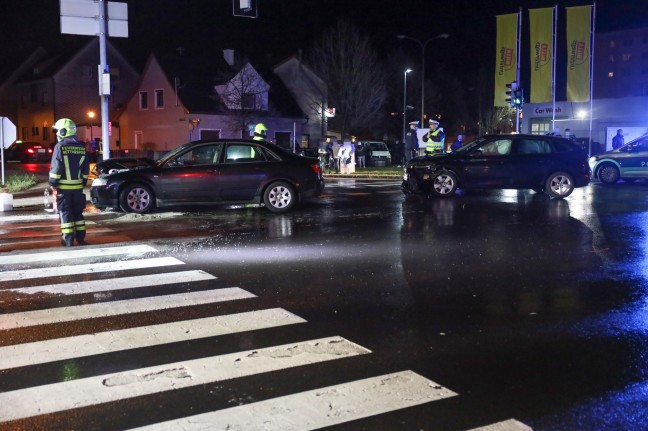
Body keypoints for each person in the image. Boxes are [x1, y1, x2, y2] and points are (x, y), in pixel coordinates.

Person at [49, 118, 90, 247]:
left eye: (57, 131)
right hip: (77, 188)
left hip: (63, 188)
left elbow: (56, 167)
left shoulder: (60, 146)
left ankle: (68, 239)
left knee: (65, 212)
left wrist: (53, 182)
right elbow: (85, 167)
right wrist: (83, 181)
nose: (56, 134)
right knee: (78, 212)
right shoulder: (80, 147)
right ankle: (81, 238)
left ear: (63, 131)